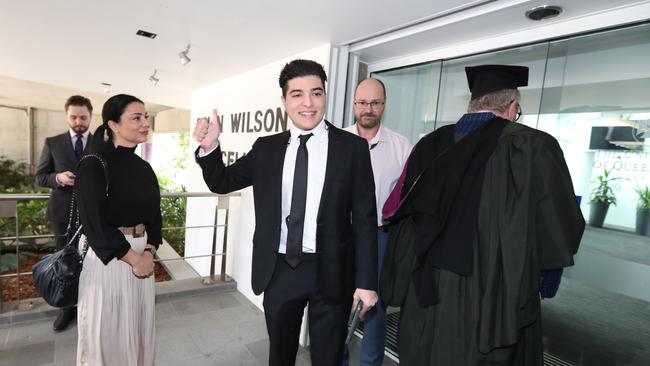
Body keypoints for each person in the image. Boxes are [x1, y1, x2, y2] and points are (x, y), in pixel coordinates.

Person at [381, 65, 585, 365]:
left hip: (426, 292)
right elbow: (557, 225)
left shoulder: (429, 145)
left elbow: (395, 211)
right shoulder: (532, 146)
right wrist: (542, 285)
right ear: (512, 106)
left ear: (472, 104)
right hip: (494, 296)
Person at [193, 59, 379, 366]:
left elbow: (364, 219)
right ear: (283, 100)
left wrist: (367, 282)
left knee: (328, 357)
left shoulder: (352, 148)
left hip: (332, 269)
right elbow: (222, 181)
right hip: (279, 268)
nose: (308, 103)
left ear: (325, 96)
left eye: (316, 93)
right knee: (280, 355)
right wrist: (211, 146)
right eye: (297, 94)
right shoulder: (266, 148)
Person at [74, 94, 161, 366]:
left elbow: (154, 218)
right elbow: (94, 224)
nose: (144, 123)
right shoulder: (93, 164)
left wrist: (148, 251)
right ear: (113, 124)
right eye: (136, 117)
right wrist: (134, 259)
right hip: (108, 260)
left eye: (145, 116)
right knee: (106, 334)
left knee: (137, 329)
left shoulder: (144, 168)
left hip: (142, 260)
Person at [341, 78, 411, 366]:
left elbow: (408, 197)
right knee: (336, 304)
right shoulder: (337, 141)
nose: (368, 108)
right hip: (341, 237)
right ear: (354, 104)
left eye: (375, 102)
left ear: (384, 105)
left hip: (381, 237)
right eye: (362, 102)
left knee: (375, 309)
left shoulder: (401, 147)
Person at [35, 95, 93, 332]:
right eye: (74, 117)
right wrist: (58, 178)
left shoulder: (101, 143)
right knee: (64, 264)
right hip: (62, 214)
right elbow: (40, 177)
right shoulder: (53, 142)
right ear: (67, 116)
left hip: (94, 214)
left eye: (83, 117)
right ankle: (66, 309)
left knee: (92, 263)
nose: (78, 121)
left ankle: (89, 307)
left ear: (90, 116)